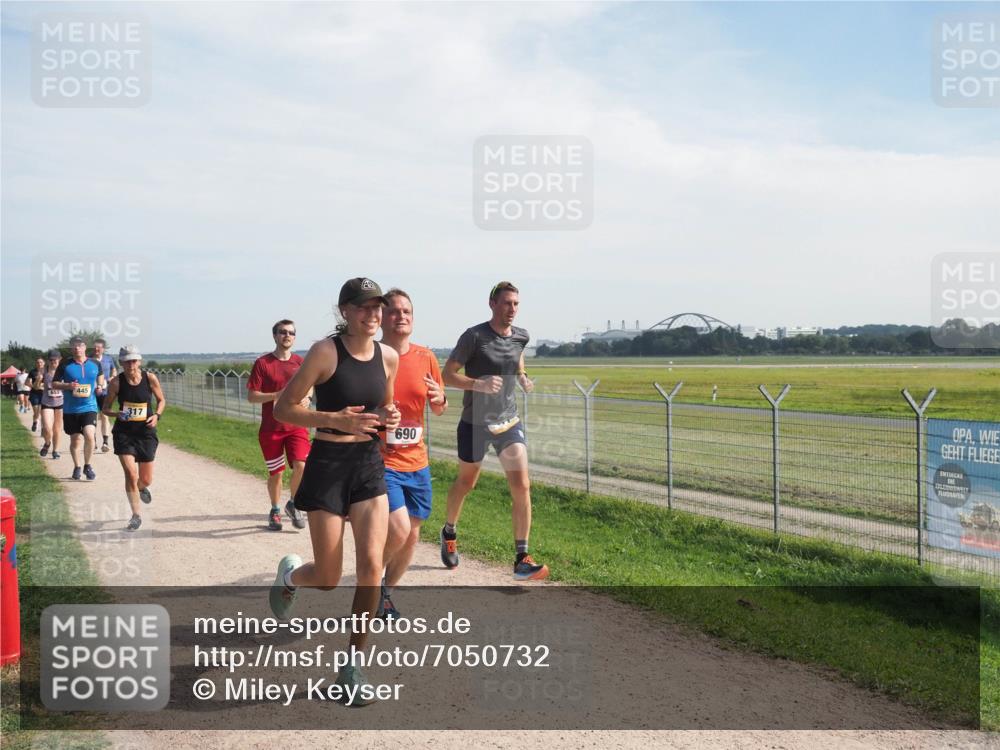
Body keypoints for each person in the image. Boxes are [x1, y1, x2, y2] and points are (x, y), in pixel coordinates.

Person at [268, 277, 400, 704]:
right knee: (326, 578)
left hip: (367, 467)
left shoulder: (389, 357)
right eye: (363, 307)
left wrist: (388, 419)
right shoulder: (326, 351)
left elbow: (386, 409)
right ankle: (290, 576)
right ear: (344, 310)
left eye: (377, 307)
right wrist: (334, 419)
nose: (373, 314)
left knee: (370, 568)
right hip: (327, 466)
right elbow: (286, 407)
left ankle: (352, 667)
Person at [441, 281, 548, 581]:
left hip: (508, 422)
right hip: (475, 423)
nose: (511, 309)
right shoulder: (474, 336)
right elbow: (446, 375)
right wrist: (478, 384)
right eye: (506, 303)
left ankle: (521, 558)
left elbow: (517, 357)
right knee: (466, 483)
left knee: (522, 485)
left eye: (515, 303)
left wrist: (523, 377)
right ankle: (449, 531)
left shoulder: (521, 336)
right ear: (492, 304)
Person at [377, 289, 448, 618]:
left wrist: (439, 399)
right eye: (394, 311)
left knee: (412, 536)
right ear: (382, 318)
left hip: (417, 461)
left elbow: (439, 406)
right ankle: (369, 578)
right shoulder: (371, 356)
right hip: (382, 459)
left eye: (407, 311)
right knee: (400, 528)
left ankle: (385, 592)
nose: (401, 316)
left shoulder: (427, 357)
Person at [247, 320, 311, 531]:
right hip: (272, 429)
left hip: (297, 425)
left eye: (291, 332)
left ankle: (293, 503)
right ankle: (275, 510)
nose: (287, 335)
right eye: (283, 332)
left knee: (302, 465)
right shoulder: (263, 363)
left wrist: (307, 397)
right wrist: (277, 395)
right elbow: (252, 396)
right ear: (275, 336)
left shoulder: (300, 363)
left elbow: (309, 386)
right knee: (277, 473)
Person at [102, 345, 165, 531]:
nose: (131, 364)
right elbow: (105, 408)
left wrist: (157, 416)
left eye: (134, 360)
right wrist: (116, 414)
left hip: (146, 433)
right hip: (124, 433)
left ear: (140, 361)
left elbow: (161, 400)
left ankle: (140, 488)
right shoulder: (116, 382)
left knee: (145, 480)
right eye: (127, 361)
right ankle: (136, 515)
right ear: (121, 362)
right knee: (131, 474)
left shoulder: (150, 378)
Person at [52, 336, 105, 480]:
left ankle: (88, 466)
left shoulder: (94, 363)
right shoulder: (65, 364)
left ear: (84, 347)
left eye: (79, 345)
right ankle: (77, 466)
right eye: (73, 346)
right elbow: (54, 384)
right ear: (71, 348)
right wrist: (68, 386)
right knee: (75, 441)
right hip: (71, 409)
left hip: (89, 407)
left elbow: (100, 376)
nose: (77, 348)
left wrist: (100, 386)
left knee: (89, 435)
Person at [93, 338, 118, 453]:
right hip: (92, 392)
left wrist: (112, 377)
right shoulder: (89, 360)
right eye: (94, 347)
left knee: (104, 415)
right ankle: (92, 441)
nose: (96, 349)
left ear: (103, 349)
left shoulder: (108, 359)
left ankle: (105, 442)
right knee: (92, 417)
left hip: (105, 392)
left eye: (98, 347)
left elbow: (114, 371)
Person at [39, 350, 64, 460]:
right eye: (51, 359)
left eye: (56, 359)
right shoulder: (43, 371)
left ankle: (55, 450)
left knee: (57, 429)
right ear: (48, 360)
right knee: (47, 427)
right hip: (47, 403)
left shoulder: (64, 371)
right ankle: (47, 442)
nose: (53, 361)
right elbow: (35, 386)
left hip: (60, 403)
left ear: (60, 359)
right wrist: (38, 381)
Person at [28, 357, 45, 431]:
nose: (39, 364)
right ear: (36, 363)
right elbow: (27, 383)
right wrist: (34, 386)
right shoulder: (32, 372)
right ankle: (35, 422)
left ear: (44, 363)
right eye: (38, 362)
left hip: (44, 394)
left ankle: (43, 428)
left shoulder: (46, 372)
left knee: (42, 412)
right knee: (36, 411)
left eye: (41, 362)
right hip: (34, 393)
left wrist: (42, 386)